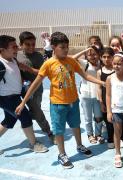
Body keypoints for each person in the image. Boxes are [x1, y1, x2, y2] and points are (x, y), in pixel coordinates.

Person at [15, 32, 105, 169]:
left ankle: (79, 145)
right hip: (58, 104)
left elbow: (85, 76)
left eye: (67, 47)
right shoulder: (49, 64)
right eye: (62, 47)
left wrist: (102, 83)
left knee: (75, 124)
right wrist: (23, 102)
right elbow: (36, 84)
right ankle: (62, 154)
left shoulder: (71, 61)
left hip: (73, 101)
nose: (65, 49)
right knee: (59, 130)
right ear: (54, 47)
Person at [0, 35, 48, 153]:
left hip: (15, 95)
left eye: (16, 46)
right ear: (2, 50)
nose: (17, 49)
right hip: (7, 98)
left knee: (9, 120)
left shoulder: (14, 60)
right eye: (14, 47)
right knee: (25, 117)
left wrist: (47, 72)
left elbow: (30, 69)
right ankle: (34, 144)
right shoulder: (1, 65)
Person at [16, 31, 56, 144]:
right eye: (27, 44)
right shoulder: (16, 56)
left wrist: (28, 69)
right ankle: (49, 132)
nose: (31, 47)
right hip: (22, 90)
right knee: (37, 111)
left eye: (33, 44)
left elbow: (43, 73)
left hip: (37, 89)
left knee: (35, 110)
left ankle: (29, 117)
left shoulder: (38, 56)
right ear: (21, 44)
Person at [72, 46, 104, 144]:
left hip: (98, 95)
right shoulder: (84, 63)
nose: (92, 56)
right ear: (86, 56)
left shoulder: (101, 64)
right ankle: (90, 135)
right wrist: (85, 50)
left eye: (94, 54)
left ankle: (98, 134)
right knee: (88, 117)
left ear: (98, 55)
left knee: (98, 116)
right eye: (89, 55)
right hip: (86, 95)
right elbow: (73, 58)